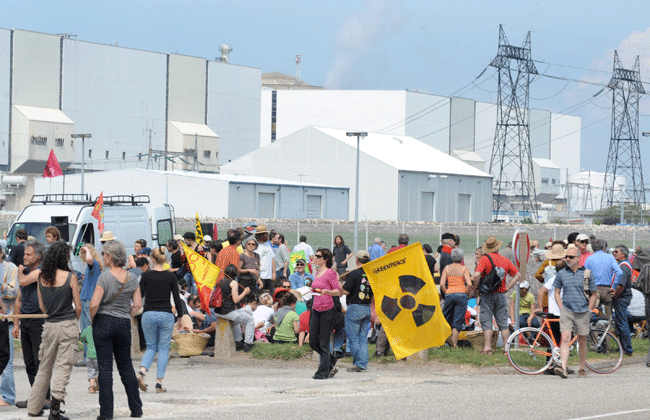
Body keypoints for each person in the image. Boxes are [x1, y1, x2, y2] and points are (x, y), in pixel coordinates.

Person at [26, 242, 81, 419]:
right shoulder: (70, 276)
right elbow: (78, 306)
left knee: (44, 367)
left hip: (49, 325)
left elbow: (42, 306)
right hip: (67, 323)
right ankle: (55, 410)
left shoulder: (41, 276)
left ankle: (33, 408)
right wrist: (74, 319)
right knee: (64, 366)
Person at [89, 240, 143, 420]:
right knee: (126, 365)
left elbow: (94, 303)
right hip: (123, 322)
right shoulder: (132, 278)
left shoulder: (104, 277)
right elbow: (137, 304)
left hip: (104, 321)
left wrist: (92, 319)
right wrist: (128, 314)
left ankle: (106, 413)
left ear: (110, 257)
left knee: (105, 367)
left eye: (104, 254)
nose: (102, 257)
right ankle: (136, 408)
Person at [137, 248, 185, 393]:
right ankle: (158, 384)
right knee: (164, 348)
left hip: (149, 313)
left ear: (152, 260)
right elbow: (177, 299)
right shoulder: (171, 277)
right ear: (165, 261)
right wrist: (180, 317)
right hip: (166, 314)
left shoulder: (146, 276)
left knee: (151, 347)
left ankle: (142, 372)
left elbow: (139, 295)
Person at [12, 239, 50, 410]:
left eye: (28, 254)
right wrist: (16, 323)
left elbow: (24, 282)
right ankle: (35, 397)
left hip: (38, 320)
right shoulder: (26, 272)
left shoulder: (41, 271)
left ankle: (45, 398)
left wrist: (19, 271)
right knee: (29, 363)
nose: (24, 257)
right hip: (26, 319)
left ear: (38, 256)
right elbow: (19, 298)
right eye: (24, 254)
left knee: (39, 361)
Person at [553, 247, 597, 378]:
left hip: (583, 311)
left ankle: (582, 368)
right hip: (567, 310)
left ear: (578, 258)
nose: (567, 259)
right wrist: (561, 307)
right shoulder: (561, 273)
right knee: (565, 338)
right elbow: (556, 292)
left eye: (571, 257)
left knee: (582, 340)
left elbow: (593, 293)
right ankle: (563, 367)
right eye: (566, 257)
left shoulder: (587, 274)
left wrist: (589, 309)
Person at [472, 236, 520, 355]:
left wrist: (477, 287)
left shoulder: (484, 259)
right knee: (503, 322)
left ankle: (487, 348)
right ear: (497, 247)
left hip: (487, 294)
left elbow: (477, 275)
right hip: (501, 294)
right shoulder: (505, 260)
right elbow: (517, 275)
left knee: (486, 320)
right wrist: (508, 288)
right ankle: (506, 348)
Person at [309, 248, 341, 379]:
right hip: (316, 308)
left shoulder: (330, 273)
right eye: (315, 256)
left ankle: (323, 372)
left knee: (324, 341)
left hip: (327, 309)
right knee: (312, 341)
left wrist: (326, 291)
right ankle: (330, 359)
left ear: (325, 259)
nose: (315, 258)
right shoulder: (317, 272)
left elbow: (338, 291)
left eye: (318, 256)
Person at [78, 243, 103, 396]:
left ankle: (92, 374)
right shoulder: (93, 268)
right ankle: (94, 375)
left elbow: (89, 259)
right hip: (87, 300)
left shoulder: (94, 266)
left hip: (88, 301)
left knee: (89, 336)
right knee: (89, 336)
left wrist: (86, 249)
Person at [342, 250, 372, 371]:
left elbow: (346, 291)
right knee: (363, 338)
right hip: (367, 307)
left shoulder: (353, 274)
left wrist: (338, 285)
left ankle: (359, 363)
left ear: (357, 260)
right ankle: (363, 363)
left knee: (353, 338)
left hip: (355, 307)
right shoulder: (371, 274)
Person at [584, 239, 622, 332]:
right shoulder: (610, 258)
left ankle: (594, 343)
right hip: (607, 289)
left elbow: (585, 275)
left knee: (594, 317)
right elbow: (619, 272)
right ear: (604, 247)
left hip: (594, 290)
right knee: (607, 319)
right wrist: (614, 286)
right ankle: (607, 343)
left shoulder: (589, 258)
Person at [217, 264, 256, 351]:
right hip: (227, 312)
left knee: (236, 321)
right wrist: (245, 292)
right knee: (250, 320)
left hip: (218, 311)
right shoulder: (233, 283)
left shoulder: (221, 281)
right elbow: (236, 300)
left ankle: (238, 341)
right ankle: (248, 343)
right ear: (235, 273)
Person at [440, 248, 472, 348]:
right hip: (461, 294)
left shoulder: (447, 268)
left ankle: (443, 342)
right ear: (462, 258)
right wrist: (467, 291)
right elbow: (470, 283)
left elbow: (441, 284)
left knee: (445, 318)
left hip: (449, 293)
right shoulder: (464, 269)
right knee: (458, 319)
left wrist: (447, 292)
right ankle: (454, 344)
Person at [0, 244, 17, 407]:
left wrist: (1, 286)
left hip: (7, 320)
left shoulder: (10, 268)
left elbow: (13, 292)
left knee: (6, 358)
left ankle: (8, 396)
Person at [611, 244, 634, 356]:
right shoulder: (622, 265)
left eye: (616, 252)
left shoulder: (624, 266)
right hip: (622, 296)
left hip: (621, 297)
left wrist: (615, 294)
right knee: (620, 321)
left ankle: (627, 348)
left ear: (623, 254)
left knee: (622, 322)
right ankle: (623, 346)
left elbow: (622, 285)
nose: (614, 253)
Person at [254, 225, 275, 292]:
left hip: (269, 275)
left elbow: (272, 259)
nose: (267, 235)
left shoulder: (268, 245)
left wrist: (273, 272)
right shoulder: (256, 247)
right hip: (261, 276)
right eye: (265, 234)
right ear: (260, 235)